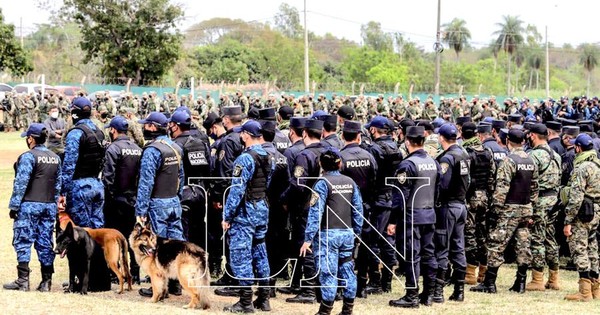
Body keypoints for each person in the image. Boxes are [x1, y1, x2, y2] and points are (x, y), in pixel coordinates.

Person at [471, 129, 539, 294]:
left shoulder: (509, 161)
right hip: (526, 208)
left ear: (508, 140)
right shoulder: (531, 160)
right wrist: (531, 206)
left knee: (496, 245)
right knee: (523, 245)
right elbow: (535, 187)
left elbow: (501, 189)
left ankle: (489, 283)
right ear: (523, 141)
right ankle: (520, 282)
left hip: (509, 209)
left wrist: (495, 210)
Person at [300, 148, 363, 315]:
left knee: (328, 272)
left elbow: (315, 212)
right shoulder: (350, 182)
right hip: (347, 233)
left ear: (321, 165)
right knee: (347, 270)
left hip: (328, 235)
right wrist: (356, 232)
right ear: (339, 164)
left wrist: (308, 239)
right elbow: (358, 210)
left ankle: (325, 311)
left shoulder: (322, 183)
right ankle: (347, 309)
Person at [221, 120, 275, 313]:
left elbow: (236, 190)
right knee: (260, 252)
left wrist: (227, 216)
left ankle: (245, 302)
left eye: (241, 133)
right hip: (262, 208)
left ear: (245, 135)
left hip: (245, 213)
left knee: (240, 256)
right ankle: (264, 298)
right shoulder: (269, 156)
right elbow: (266, 182)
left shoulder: (244, 159)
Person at [3, 124, 61, 292]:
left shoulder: (28, 157)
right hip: (49, 204)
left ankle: (23, 280)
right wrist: (54, 205)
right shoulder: (54, 157)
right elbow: (58, 185)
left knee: (23, 240)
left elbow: (21, 183)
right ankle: (46, 281)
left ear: (31, 139)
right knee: (45, 241)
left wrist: (14, 206)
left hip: (29, 204)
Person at [388, 126, 440, 308]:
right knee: (428, 254)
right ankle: (429, 294)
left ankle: (412, 295)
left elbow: (400, 197)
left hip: (412, 216)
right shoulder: (433, 162)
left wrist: (392, 220)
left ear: (407, 141)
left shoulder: (407, 164)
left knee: (412, 255)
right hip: (429, 214)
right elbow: (438, 190)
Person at [135, 112, 185, 298]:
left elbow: (146, 182)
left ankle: (158, 287)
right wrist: (177, 198)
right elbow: (181, 177)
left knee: (156, 247)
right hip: (174, 201)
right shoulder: (175, 147)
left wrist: (141, 210)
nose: (144, 128)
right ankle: (175, 285)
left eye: (147, 125)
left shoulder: (153, 150)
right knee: (175, 245)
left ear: (153, 127)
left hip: (158, 203)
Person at [283, 119, 326, 304]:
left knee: (306, 245)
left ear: (304, 134)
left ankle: (308, 290)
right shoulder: (329, 151)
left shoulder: (304, 155)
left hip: (306, 207)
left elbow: (298, 185)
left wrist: (283, 199)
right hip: (326, 206)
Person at [101, 116, 142, 283]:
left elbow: (108, 177)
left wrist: (108, 196)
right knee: (132, 236)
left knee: (114, 238)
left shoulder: (113, 149)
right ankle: (135, 273)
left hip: (116, 199)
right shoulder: (137, 148)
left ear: (113, 130)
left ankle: (115, 273)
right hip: (133, 199)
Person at [339, 121, 378, 298]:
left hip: (342, 209)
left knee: (343, 248)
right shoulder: (369, 157)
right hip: (365, 207)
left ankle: (343, 285)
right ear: (359, 137)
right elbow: (374, 182)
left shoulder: (340, 158)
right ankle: (361, 285)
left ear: (342, 136)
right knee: (364, 247)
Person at [364, 116, 402, 294]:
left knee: (372, 240)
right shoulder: (397, 149)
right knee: (388, 241)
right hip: (392, 197)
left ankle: (376, 281)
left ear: (373, 130)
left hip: (378, 199)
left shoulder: (374, 149)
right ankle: (387, 281)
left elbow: (370, 175)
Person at [434, 123, 470, 302]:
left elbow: (443, 185)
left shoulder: (447, 158)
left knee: (442, 247)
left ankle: (438, 292)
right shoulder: (464, 154)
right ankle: (459, 290)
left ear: (441, 138)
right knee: (458, 247)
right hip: (461, 206)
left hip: (448, 207)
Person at [562, 134, 600, 301]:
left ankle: (584, 291)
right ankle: (596, 288)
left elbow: (576, 197)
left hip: (583, 212)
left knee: (579, 248)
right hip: (596, 210)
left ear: (578, 148)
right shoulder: (597, 165)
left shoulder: (581, 168)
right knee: (592, 247)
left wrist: (568, 220)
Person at [524, 124, 562, 291]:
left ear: (533, 136)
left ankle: (537, 279)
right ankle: (554, 278)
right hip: (554, 201)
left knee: (537, 239)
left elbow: (530, 184)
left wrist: (529, 206)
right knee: (550, 238)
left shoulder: (534, 155)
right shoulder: (556, 155)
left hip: (540, 201)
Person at [60, 97, 106, 228]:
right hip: (97, 185)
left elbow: (69, 165)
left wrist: (62, 191)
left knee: (81, 231)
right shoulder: (100, 132)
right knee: (97, 230)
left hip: (79, 187)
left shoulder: (76, 133)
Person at [169, 110, 211, 247]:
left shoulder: (174, 145)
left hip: (183, 192)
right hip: (200, 191)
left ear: (176, 126)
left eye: (171, 124)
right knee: (199, 228)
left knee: (183, 230)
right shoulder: (201, 143)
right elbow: (209, 167)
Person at [462, 123, 496, 285]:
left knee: (469, 234)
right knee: (483, 234)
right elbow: (492, 177)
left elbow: (464, 180)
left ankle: (470, 272)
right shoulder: (487, 151)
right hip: (485, 197)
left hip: (470, 198)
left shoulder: (466, 153)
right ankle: (483, 269)